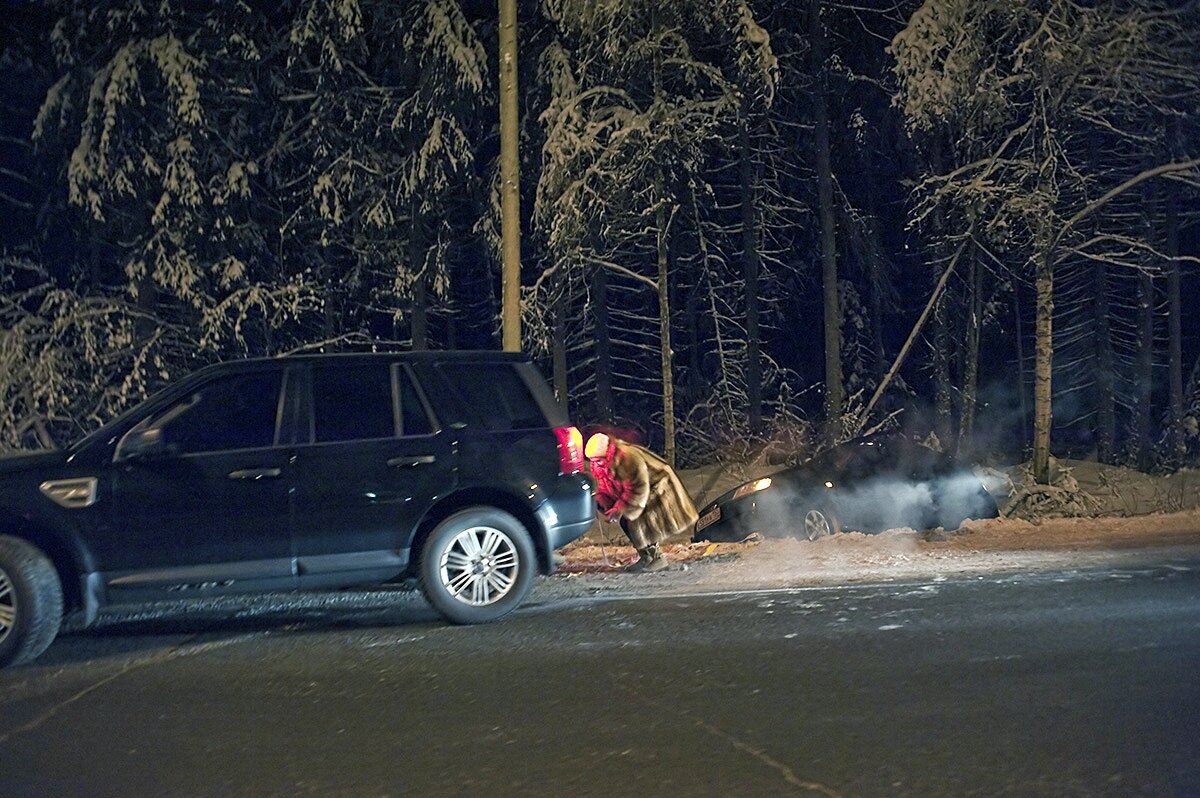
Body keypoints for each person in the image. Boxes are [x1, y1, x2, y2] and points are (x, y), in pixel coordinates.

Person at [585, 432, 699, 572]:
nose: (596, 463)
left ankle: (657, 558)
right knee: (626, 519)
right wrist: (602, 501)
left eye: (599, 459)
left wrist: (620, 508)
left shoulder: (627, 458)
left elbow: (637, 488)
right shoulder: (601, 466)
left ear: (607, 453)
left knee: (641, 519)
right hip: (639, 492)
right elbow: (607, 488)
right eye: (593, 460)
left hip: (658, 488)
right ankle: (646, 557)